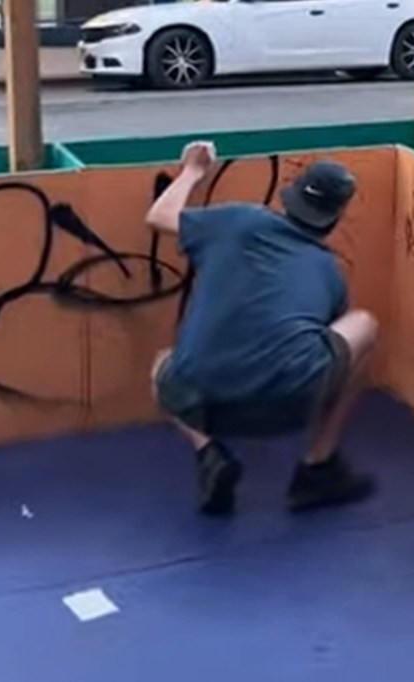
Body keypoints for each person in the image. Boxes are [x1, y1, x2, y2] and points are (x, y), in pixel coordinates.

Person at [146, 141, 377, 516]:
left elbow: (159, 216)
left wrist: (192, 171)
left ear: (290, 198)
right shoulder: (329, 272)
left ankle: (208, 451)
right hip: (287, 409)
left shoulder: (236, 221)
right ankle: (318, 464)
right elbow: (329, 345)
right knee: (364, 325)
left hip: (199, 404)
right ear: (335, 217)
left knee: (162, 367)